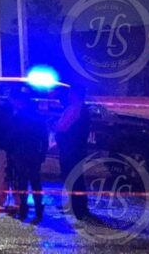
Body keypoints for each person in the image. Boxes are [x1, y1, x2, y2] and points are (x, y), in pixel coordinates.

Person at [6, 89, 48, 222]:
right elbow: (45, 137)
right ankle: (38, 210)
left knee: (22, 182)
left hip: (21, 153)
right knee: (35, 182)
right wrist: (43, 154)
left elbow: (12, 136)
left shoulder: (18, 117)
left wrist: (10, 153)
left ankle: (23, 209)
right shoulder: (38, 117)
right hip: (34, 153)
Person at [56, 85, 91, 220]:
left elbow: (63, 127)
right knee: (76, 178)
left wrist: (57, 128)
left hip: (71, 149)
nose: (68, 95)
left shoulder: (76, 109)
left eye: (71, 93)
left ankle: (76, 208)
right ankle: (78, 206)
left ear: (75, 95)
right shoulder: (79, 107)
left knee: (72, 178)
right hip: (75, 149)